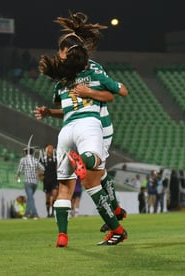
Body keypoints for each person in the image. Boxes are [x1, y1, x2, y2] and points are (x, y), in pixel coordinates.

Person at [35, 12, 128, 246]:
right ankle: (115, 215)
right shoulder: (76, 73)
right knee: (93, 178)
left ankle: (68, 233)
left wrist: (88, 93)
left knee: (79, 183)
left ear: (69, 50)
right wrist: (50, 111)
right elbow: (70, 107)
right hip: (88, 125)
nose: (59, 54)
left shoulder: (74, 75)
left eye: (61, 50)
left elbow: (111, 96)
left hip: (96, 126)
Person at [16, 147, 45, 220]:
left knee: (30, 198)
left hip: (28, 181)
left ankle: (35, 214)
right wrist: (38, 172)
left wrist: (18, 175)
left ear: (25, 152)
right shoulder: (35, 160)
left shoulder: (23, 160)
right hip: (35, 182)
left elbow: (19, 169)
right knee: (29, 198)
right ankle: (26, 214)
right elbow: (43, 169)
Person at [39, 144, 59, 217]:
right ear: (46, 149)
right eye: (50, 148)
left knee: (54, 194)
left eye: (52, 147)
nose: (51, 149)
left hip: (54, 179)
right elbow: (39, 167)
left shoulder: (55, 158)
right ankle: (48, 213)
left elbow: (57, 167)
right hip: (46, 179)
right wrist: (40, 175)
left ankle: (53, 211)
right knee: (47, 196)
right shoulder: (43, 158)